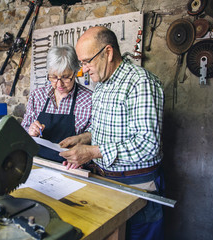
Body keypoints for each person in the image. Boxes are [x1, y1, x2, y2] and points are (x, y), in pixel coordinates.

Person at [59, 27, 165, 240]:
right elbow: (109, 129)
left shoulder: (140, 83)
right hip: (108, 181)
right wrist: (83, 138)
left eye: (87, 61)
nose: (83, 70)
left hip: (138, 186)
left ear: (108, 53)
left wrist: (91, 152)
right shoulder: (101, 84)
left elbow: (148, 144)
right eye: (81, 63)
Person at [21, 44, 92, 163]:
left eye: (65, 77)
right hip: (39, 163)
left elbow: (95, 137)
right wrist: (30, 131)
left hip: (72, 166)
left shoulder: (89, 99)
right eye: (53, 77)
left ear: (75, 72)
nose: (59, 85)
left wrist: (82, 145)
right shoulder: (37, 96)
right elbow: (23, 130)